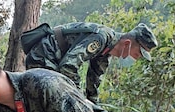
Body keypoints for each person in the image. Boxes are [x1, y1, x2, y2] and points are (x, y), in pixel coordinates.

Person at [23, 22, 158, 103]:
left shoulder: (105, 53)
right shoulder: (101, 38)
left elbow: (92, 84)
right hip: (44, 55)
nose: (136, 58)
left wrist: (94, 109)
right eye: (137, 54)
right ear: (128, 43)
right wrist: (79, 99)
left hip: (54, 61)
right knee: (50, 100)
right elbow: (68, 67)